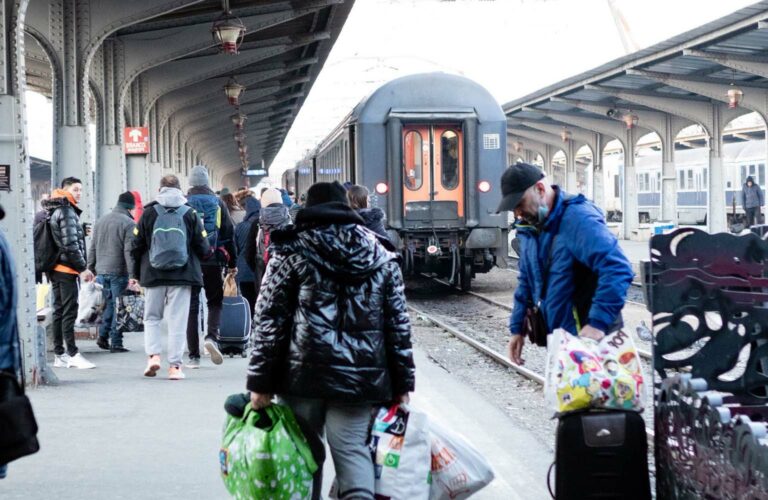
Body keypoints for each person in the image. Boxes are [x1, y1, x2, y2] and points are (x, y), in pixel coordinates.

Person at [247, 181, 415, 500]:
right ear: (348, 208)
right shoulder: (379, 250)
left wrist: (260, 382)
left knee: (302, 455)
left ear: (307, 208)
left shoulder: (290, 249)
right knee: (353, 452)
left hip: (300, 377)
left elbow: (269, 320)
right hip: (360, 378)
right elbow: (398, 325)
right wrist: (403, 384)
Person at [498, 163, 634, 365]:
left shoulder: (578, 219)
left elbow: (617, 268)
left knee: (601, 396)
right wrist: (517, 328)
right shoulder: (531, 227)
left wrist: (598, 323)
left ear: (540, 189)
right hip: (564, 342)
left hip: (593, 342)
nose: (518, 213)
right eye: (513, 208)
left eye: (520, 203)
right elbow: (527, 279)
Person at [130, 175, 211, 380]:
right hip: (182, 276)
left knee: (152, 318)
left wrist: (136, 275)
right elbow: (203, 248)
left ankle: (154, 356)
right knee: (177, 321)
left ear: (160, 189)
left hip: (153, 274)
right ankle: (175, 367)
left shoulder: (148, 212)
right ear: (180, 190)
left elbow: (136, 245)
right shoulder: (190, 213)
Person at [185, 165, 237, 369]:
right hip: (213, 259)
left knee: (191, 307)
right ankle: (211, 337)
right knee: (214, 302)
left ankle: (193, 356)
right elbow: (228, 234)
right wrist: (232, 263)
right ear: (207, 182)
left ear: (190, 182)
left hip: (190, 262)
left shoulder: (184, 203)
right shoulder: (217, 203)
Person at [42, 177, 95, 369]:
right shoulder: (67, 211)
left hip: (55, 268)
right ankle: (72, 354)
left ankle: (59, 354)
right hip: (66, 269)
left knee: (59, 311)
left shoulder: (54, 208)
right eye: (75, 189)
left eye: (81, 190)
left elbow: (63, 237)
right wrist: (83, 268)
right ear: (65, 190)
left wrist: (79, 231)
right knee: (69, 311)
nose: (79, 193)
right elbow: (70, 244)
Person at [86, 191, 137, 353]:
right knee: (118, 308)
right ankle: (116, 342)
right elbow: (129, 252)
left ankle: (102, 336)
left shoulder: (101, 221)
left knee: (106, 305)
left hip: (101, 270)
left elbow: (93, 246)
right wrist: (133, 275)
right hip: (118, 271)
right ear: (130, 207)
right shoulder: (129, 224)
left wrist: (91, 267)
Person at [246, 188, 291, 274]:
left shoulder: (258, 223)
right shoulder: (290, 220)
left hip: (264, 272)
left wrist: (258, 271)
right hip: (286, 273)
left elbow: (249, 253)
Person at [234, 196, 261, 320]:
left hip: (244, 271)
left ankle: (250, 327)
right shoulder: (263, 225)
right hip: (260, 270)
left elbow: (235, 249)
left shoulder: (240, 226)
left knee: (248, 302)